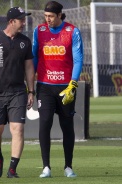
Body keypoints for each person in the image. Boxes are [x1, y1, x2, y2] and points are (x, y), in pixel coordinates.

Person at [0, 7, 35, 178]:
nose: (24, 23)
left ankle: (12, 169)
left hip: (18, 92)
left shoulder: (25, 41)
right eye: (21, 20)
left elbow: (29, 67)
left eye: (24, 20)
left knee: (18, 129)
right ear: (11, 22)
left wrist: (31, 91)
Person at [32, 1, 84, 178]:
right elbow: (33, 59)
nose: (48, 20)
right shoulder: (39, 31)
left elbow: (78, 60)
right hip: (45, 87)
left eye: (51, 16)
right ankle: (46, 167)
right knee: (44, 123)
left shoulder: (72, 31)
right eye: (46, 16)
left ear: (60, 15)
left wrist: (73, 84)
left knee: (67, 126)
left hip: (65, 87)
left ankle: (68, 167)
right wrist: (30, 83)